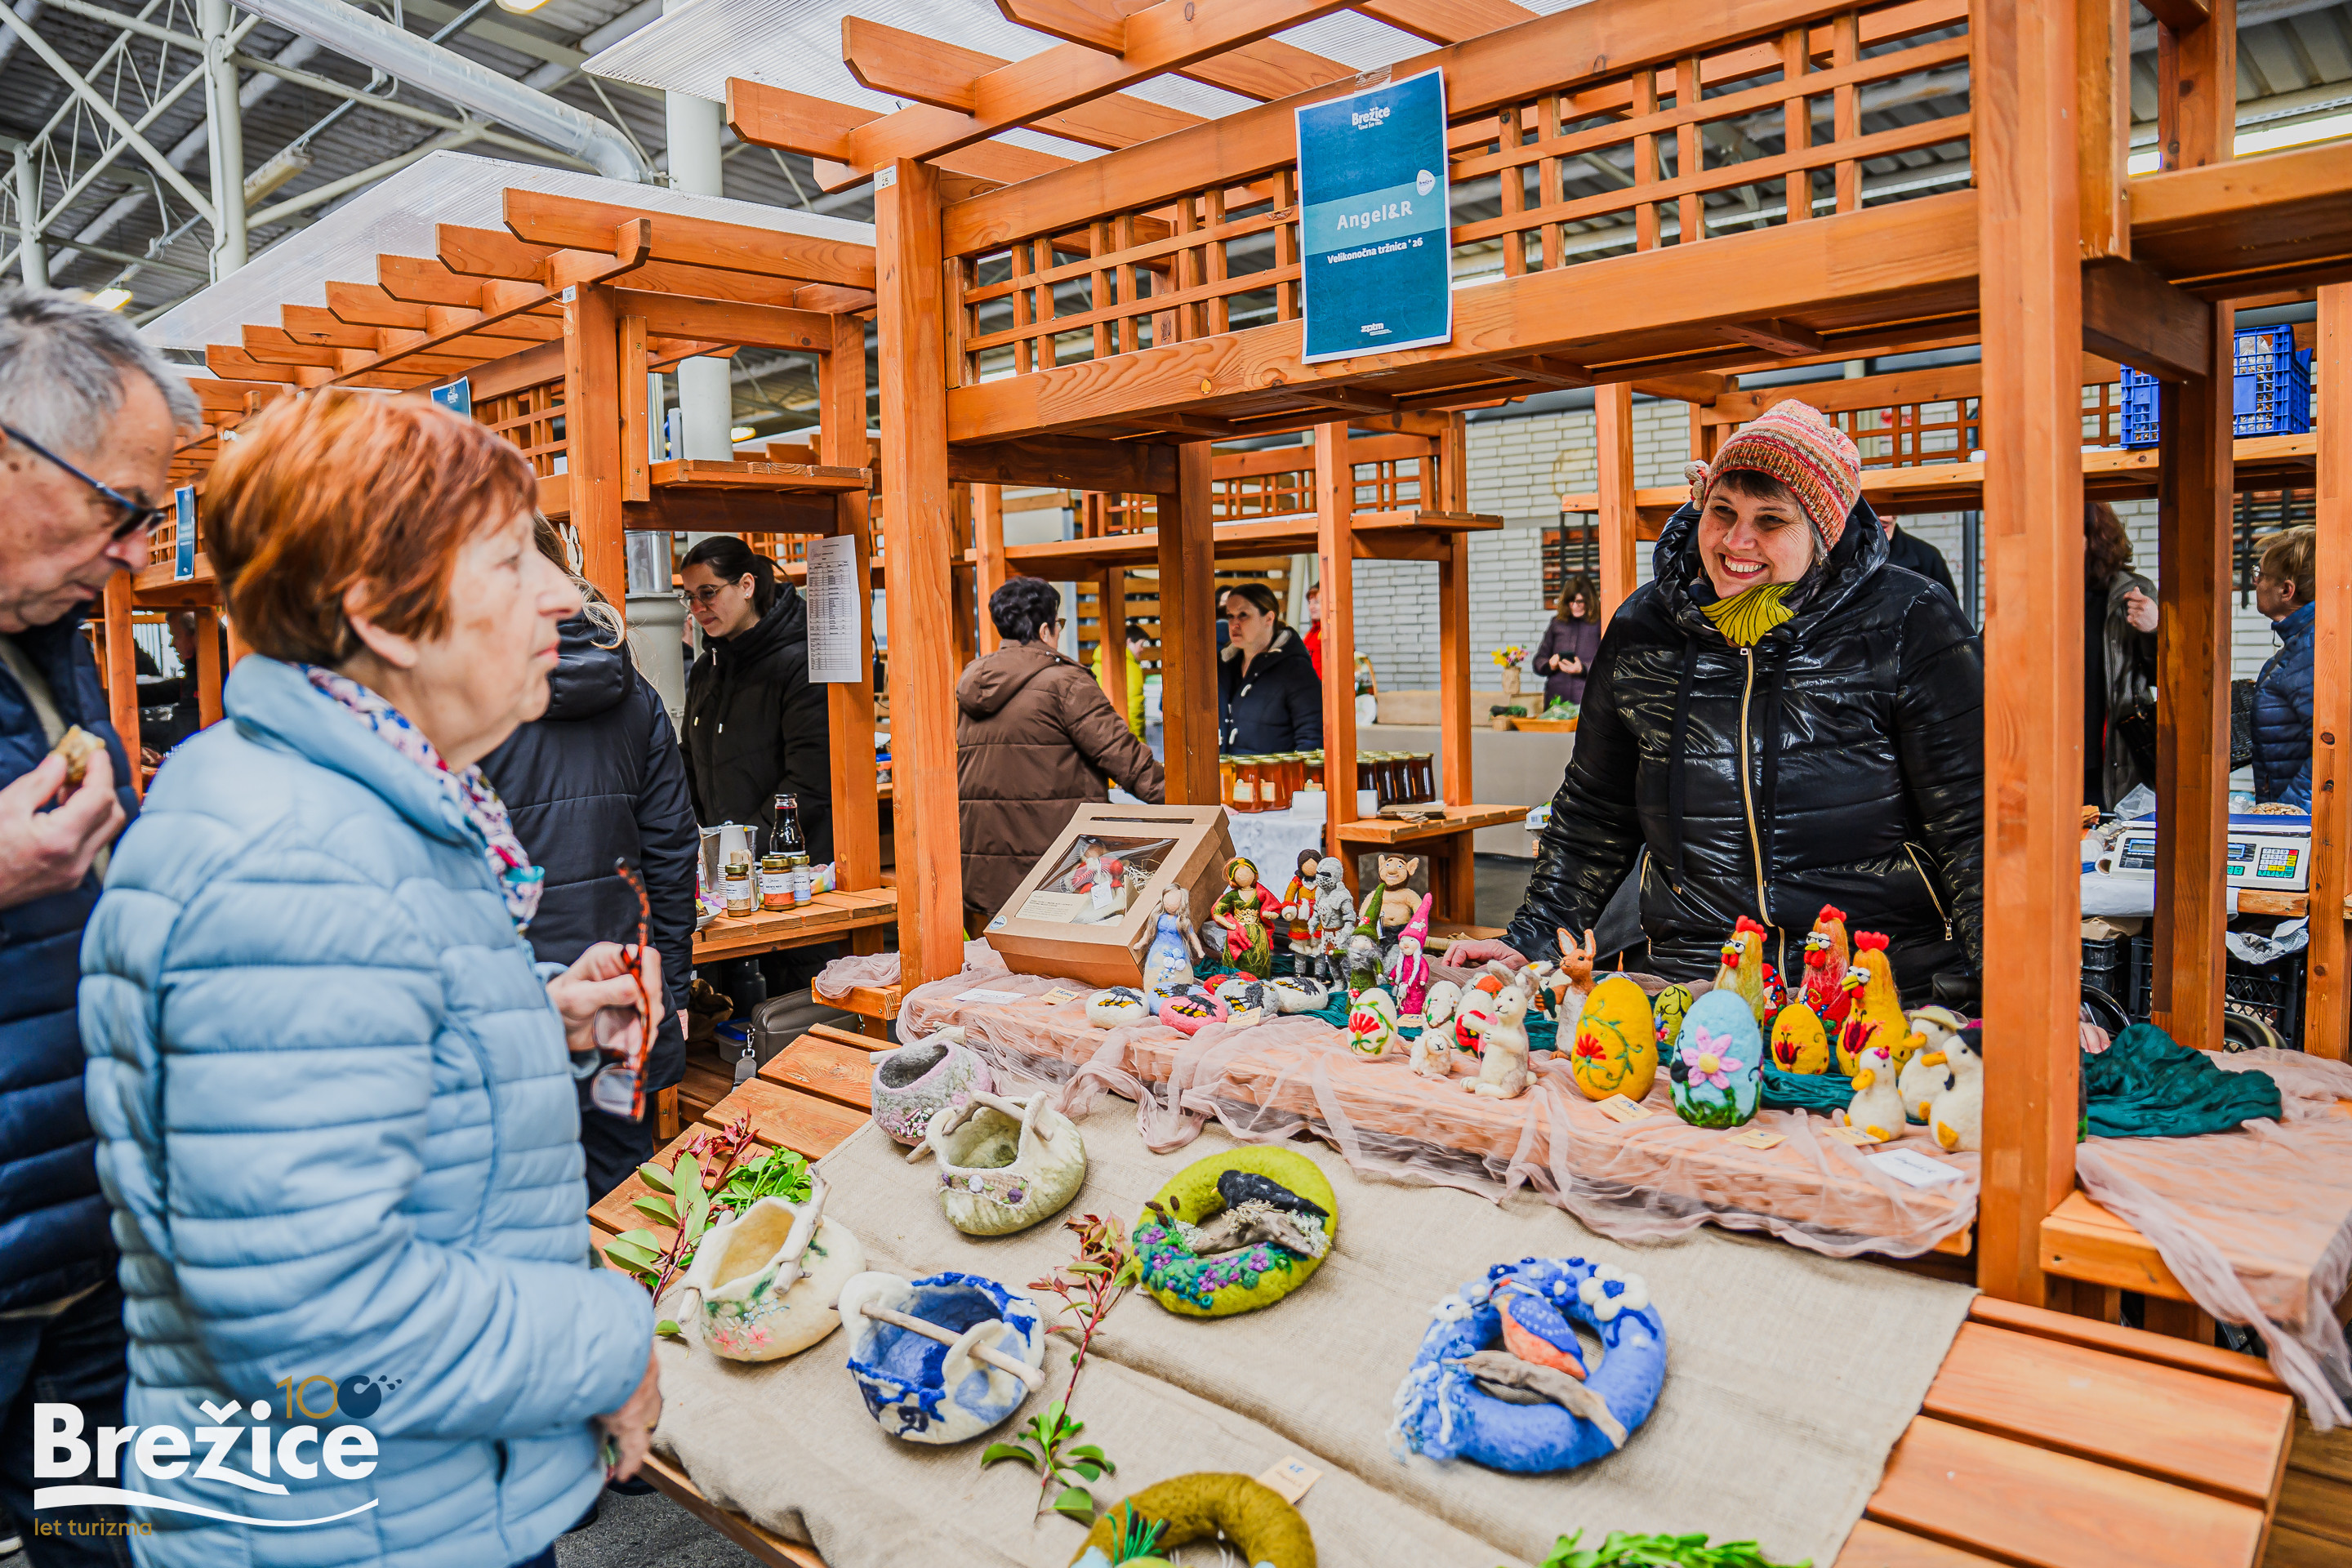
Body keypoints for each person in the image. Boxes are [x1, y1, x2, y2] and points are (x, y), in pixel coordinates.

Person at [78, 389, 661, 1568]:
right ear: (379, 613)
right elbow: (315, 1320)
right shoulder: (297, 864)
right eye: (512, 560)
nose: (564, 596)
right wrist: (606, 1340)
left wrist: (530, 1023)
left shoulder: (353, 806)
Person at [1450, 401, 1983, 1000]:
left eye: (1771, 520)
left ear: (1823, 533)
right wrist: (1531, 939)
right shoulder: (1645, 628)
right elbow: (1595, 813)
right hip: (1697, 978)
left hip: (1878, 979)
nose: (1736, 540)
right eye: (1722, 511)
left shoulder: (1908, 620)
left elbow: (1975, 824)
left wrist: (2014, 986)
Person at [0, 287, 193, 1567]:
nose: (135, 553)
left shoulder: (51, 636)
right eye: (120, 509)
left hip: (88, 1253)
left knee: (99, 1542)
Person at [481, 519, 698, 1200]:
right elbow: (672, 850)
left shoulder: (463, 696)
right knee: (623, 1201)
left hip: (507, 1015)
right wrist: (675, 989)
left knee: (518, 1205)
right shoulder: (636, 693)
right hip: (618, 996)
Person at [957, 577, 1165, 931]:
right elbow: (1125, 759)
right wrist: (1194, 799)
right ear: (1045, 630)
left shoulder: (972, 683)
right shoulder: (1064, 682)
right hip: (1055, 865)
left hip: (984, 870)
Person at [679, 535, 832, 991]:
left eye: (708, 592)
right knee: (728, 1005)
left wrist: (739, 855)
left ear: (746, 585)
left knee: (792, 1003)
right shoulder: (707, 668)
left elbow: (810, 782)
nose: (698, 608)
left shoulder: (800, 663)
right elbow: (691, 761)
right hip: (728, 884)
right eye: (690, 597)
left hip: (790, 876)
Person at [2083, 501, 2158, 810]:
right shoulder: (2029, 591)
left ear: (2095, 538)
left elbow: (2166, 678)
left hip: (2113, 761)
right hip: (2041, 757)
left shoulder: (2133, 593)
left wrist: (2155, 630)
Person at [2249, 525, 2317, 808]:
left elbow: (2334, 747)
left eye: (2261, 575)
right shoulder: (2303, 641)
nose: (2256, 582)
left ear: (2286, 590)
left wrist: (2286, 812)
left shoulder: (2312, 648)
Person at [1218, 582, 1322, 754]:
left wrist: (1287, 771)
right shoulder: (1224, 665)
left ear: (1268, 619)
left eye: (1243, 615)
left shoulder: (1295, 668)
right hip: (1227, 770)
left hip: (1274, 771)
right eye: (1230, 616)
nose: (1234, 624)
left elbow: (1312, 739)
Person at [1533, 572, 1602, 706]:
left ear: (1590, 601)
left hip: (1587, 698)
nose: (1575, 606)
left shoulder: (1600, 624)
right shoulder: (1557, 623)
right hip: (1556, 699)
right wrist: (1550, 664)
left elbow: (1607, 663)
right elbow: (1538, 661)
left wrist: (1583, 669)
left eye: (1580, 601)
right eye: (1571, 601)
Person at [1088, 618, 1150, 739]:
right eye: (1141, 645)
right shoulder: (1131, 667)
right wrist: (1139, 739)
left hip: (1100, 733)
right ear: (1129, 641)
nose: (1142, 649)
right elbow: (1135, 706)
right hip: (1126, 735)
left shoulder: (1096, 665)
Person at [1882, 514, 1958, 602]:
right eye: (1877, 509)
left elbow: (1947, 609)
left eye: (1893, 509)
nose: (1888, 518)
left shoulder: (1927, 558)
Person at [1302, 582, 1325, 679]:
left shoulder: (1329, 632)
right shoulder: (1312, 633)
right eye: (1310, 602)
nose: (1311, 607)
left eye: (1316, 602)